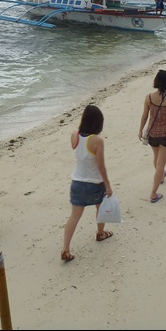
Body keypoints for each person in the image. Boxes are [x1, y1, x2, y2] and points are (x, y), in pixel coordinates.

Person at [61, 104, 113, 262]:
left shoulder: (74, 136)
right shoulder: (97, 140)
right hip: (94, 182)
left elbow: (79, 152)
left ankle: (65, 249)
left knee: (74, 216)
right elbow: (101, 166)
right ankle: (100, 233)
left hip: (77, 181)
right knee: (100, 208)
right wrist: (108, 186)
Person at [138, 69, 166, 203]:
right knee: (161, 163)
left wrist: (140, 130)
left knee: (156, 159)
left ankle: (160, 176)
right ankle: (153, 194)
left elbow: (145, 116)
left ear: (156, 81)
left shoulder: (149, 97)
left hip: (153, 134)